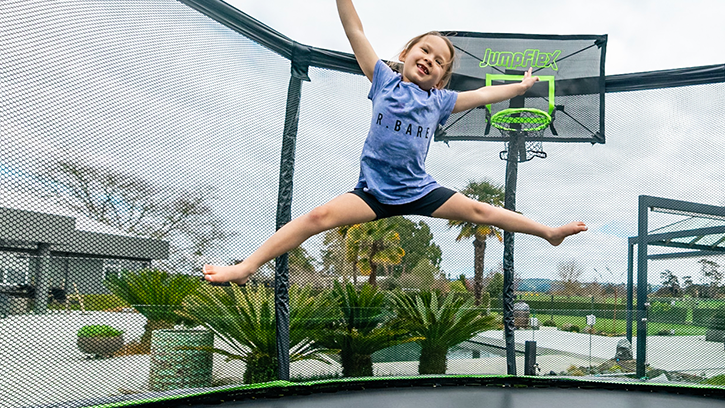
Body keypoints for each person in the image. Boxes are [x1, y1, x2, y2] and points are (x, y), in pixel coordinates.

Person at [202, 0, 587, 285]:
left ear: (441, 79)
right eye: (425, 51)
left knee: (479, 210)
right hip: (373, 192)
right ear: (404, 54)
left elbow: (485, 95)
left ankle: (548, 232)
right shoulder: (384, 79)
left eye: (439, 62)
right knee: (317, 218)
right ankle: (247, 267)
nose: (430, 59)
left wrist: (519, 87)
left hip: (418, 189)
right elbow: (355, 32)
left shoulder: (440, 101)